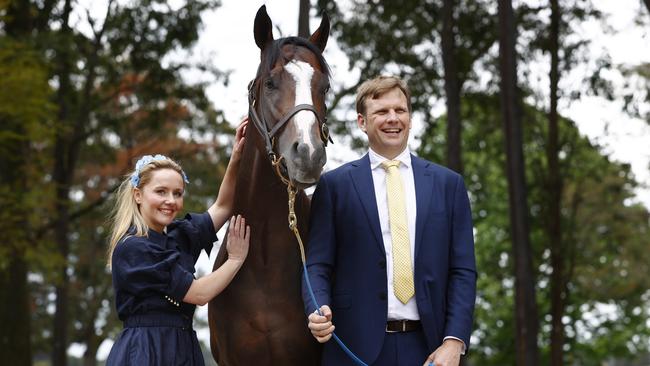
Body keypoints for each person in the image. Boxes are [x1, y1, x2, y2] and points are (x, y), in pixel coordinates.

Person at [302, 76, 477, 366]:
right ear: (362, 122)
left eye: (400, 110)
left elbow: (463, 271)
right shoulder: (334, 186)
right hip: (352, 348)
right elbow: (318, 264)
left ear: (410, 117)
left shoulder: (449, 185)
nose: (392, 118)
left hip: (431, 350)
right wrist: (316, 307)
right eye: (381, 112)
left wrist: (455, 341)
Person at [105, 120, 250, 366]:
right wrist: (235, 260)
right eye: (161, 191)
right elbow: (199, 293)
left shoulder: (179, 235)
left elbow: (223, 206)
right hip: (145, 351)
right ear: (138, 195)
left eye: (178, 193)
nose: (171, 200)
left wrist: (236, 156)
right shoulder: (133, 247)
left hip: (183, 348)